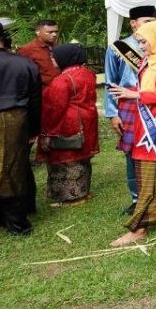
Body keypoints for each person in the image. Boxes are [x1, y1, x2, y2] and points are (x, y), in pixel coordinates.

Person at [111, 18, 156, 248]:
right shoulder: (149, 60)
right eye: (140, 42)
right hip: (147, 130)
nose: (141, 46)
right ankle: (154, 220)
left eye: (144, 41)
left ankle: (141, 228)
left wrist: (137, 95)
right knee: (149, 178)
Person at [0, 21, 40, 235]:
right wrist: (34, 128)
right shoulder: (24, 63)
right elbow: (35, 99)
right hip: (18, 119)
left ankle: (3, 216)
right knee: (15, 167)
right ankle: (14, 220)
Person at [105, 5, 156, 213]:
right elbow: (110, 82)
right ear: (133, 23)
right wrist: (112, 114)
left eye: (153, 22)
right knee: (132, 153)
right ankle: (137, 198)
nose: (150, 25)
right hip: (129, 106)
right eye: (146, 21)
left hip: (154, 103)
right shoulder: (118, 48)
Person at [37, 44, 99, 207]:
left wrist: (47, 133)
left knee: (67, 159)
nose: (51, 59)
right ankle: (83, 192)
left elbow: (54, 109)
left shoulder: (62, 80)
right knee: (82, 158)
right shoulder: (87, 73)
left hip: (68, 124)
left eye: (54, 56)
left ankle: (72, 197)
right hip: (86, 122)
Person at [17, 19, 59, 87]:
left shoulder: (58, 47)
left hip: (61, 88)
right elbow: (22, 75)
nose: (54, 34)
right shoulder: (27, 50)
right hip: (42, 90)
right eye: (50, 32)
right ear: (38, 32)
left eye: (56, 32)